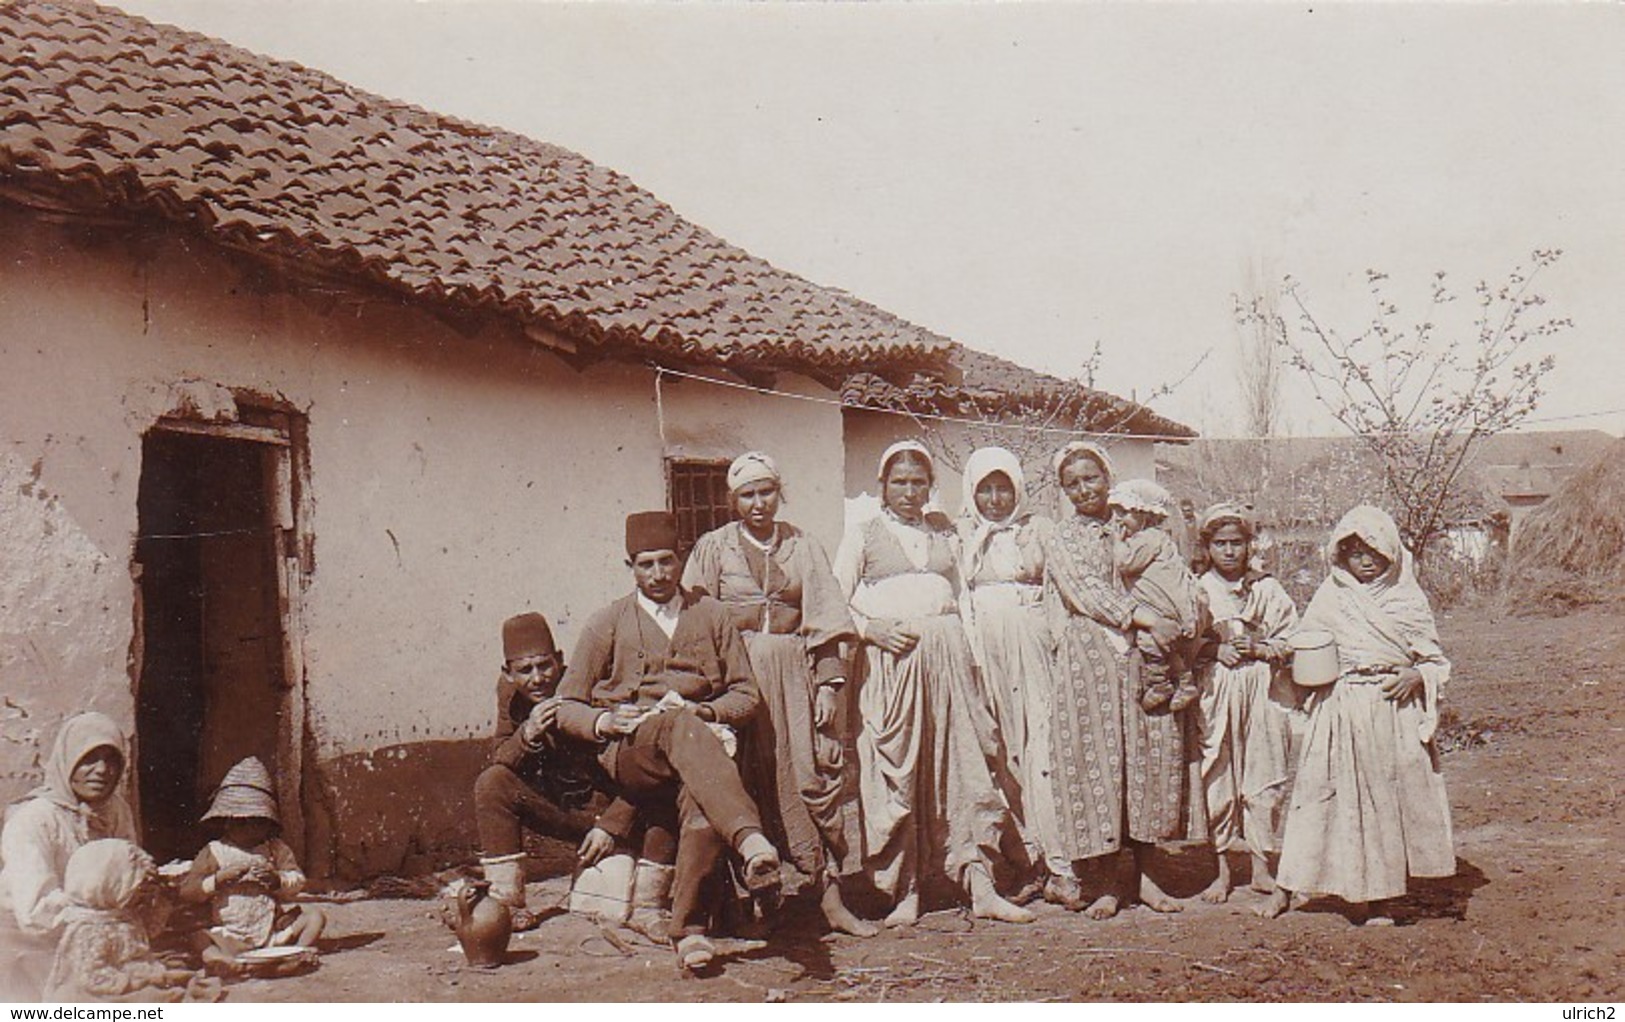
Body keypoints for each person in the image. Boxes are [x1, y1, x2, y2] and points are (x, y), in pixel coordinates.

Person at [555, 510, 782, 972]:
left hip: (697, 744)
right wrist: (606, 721)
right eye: (646, 564)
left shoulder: (711, 614)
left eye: (666, 562)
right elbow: (566, 706)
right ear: (631, 567)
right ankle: (750, 839)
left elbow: (746, 694)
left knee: (698, 792)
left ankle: (690, 932)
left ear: (680, 560)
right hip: (633, 752)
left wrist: (708, 710)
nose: (658, 574)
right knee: (680, 728)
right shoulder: (609, 622)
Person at [832, 440, 1033, 928]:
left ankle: (979, 882)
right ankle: (908, 891)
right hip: (893, 666)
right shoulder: (862, 533)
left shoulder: (945, 530)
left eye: (918, 482)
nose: (908, 491)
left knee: (966, 767)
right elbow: (835, 598)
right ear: (883, 485)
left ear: (930, 487)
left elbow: (964, 599)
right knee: (899, 775)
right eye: (899, 482)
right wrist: (872, 630)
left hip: (950, 661)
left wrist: (975, 665)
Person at [682, 452, 877, 937]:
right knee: (742, 783)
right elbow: (693, 621)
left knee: (808, 780)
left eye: (766, 491)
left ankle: (828, 895)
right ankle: (759, 900)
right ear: (733, 500)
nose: (758, 503)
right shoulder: (713, 547)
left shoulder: (802, 545)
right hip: (736, 681)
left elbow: (829, 619)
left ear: (779, 492)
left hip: (794, 680)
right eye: (747, 495)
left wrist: (829, 685)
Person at [1259, 505, 1455, 925]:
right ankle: (1288, 886)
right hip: (1339, 707)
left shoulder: (1406, 598)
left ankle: (1380, 897)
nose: (1364, 561)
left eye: (1373, 552)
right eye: (1354, 552)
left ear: (1391, 553)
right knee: (1316, 794)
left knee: (1382, 799)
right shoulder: (1332, 595)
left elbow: (1436, 660)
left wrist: (1416, 675)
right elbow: (1305, 641)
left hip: (1389, 710)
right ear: (1340, 556)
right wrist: (1287, 656)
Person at [1042, 441, 1190, 919]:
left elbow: (1171, 568)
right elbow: (1088, 593)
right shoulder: (1061, 539)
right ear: (1063, 491)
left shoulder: (1138, 521)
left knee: (1147, 758)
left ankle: (1147, 878)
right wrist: (1146, 618)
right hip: (1089, 656)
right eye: (1073, 483)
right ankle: (1105, 883)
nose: (1085, 489)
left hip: (1144, 659)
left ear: (1108, 477)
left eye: (1092, 478)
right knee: (1095, 763)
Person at [954, 446, 1082, 909]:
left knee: (1044, 748)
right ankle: (1023, 862)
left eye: (1003, 488)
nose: (994, 499)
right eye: (984, 490)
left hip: (1034, 645)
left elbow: (1064, 588)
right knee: (1000, 753)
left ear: (1018, 490)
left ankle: (1063, 863)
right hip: (984, 652)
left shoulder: (1041, 531)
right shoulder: (961, 536)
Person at [471, 612, 653, 932]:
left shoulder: (589, 688)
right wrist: (526, 734)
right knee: (492, 783)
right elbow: (501, 755)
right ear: (508, 673)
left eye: (545, 666)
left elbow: (642, 775)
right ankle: (507, 903)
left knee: (606, 907)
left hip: (612, 816)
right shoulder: (510, 694)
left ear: (560, 660)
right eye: (524, 670)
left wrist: (612, 826)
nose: (537, 678)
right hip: (562, 810)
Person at [1190, 503, 1299, 903]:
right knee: (1216, 773)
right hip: (1216, 690)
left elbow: (1293, 637)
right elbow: (1182, 639)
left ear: (1249, 546)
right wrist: (1213, 650)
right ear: (1208, 547)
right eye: (1221, 544)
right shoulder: (1197, 589)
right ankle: (1220, 869)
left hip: (1262, 688)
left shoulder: (1267, 589)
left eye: (1237, 543)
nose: (1230, 552)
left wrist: (1260, 647)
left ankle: (1260, 866)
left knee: (1264, 772)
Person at [2, 712, 139, 996]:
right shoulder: (34, 819)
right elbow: (35, 908)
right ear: (68, 760)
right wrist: (99, 919)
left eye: (111, 759)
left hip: (94, 933)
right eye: (89, 759)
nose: (102, 770)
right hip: (32, 938)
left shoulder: (115, 810)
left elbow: (127, 872)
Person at [177, 757, 325, 973]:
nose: (248, 827)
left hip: (271, 932)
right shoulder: (215, 851)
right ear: (226, 820)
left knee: (314, 917)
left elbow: (298, 881)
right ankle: (221, 960)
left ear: (268, 823)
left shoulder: (275, 849)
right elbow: (188, 891)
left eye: (257, 821)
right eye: (240, 821)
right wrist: (218, 880)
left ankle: (297, 953)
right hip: (229, 936)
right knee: (197, 937)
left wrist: (278, 880)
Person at [43, 839, 199, 1002]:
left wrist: (163, 901)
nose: (140, 895)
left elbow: (147, 934)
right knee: (165, 997)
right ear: (109, 886)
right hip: (103, 993)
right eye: (135, 888)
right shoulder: (89, 930)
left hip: (135, 977)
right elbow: (92, 977)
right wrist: (142, 980)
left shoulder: (122, 916)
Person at [1109, 478, 1203, 714]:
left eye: (1125, 513)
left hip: (1160, 604)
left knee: (1149, 640)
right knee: (1166, 645)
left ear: (1146, 515)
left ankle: (1160, 683)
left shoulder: (1147, 539)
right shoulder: (1158, 539)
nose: (1118, 519)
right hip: (1165, 603)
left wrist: (1117, 543)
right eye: (1115, 512)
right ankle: (1184, 681)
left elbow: (1124, 563)